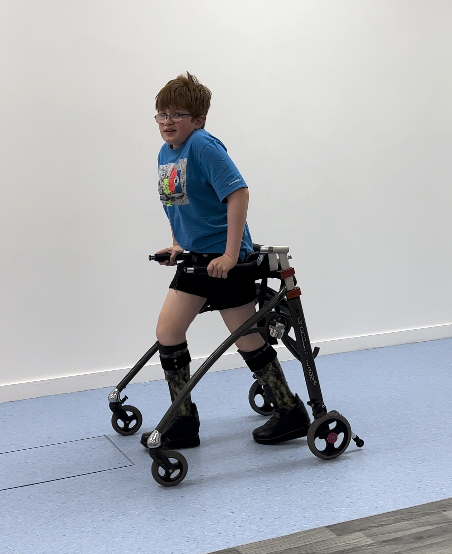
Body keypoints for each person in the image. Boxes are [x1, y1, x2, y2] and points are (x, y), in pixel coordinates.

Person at [141, 72, 310, 450]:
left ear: (198, 119)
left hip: (224, 261)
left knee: (245, 338)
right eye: (161, 114)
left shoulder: (202, 145)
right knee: (181, 333)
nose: (167, 121)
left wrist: (231, 254)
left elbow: (238, 193)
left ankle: (289, 412)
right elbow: (180, 206)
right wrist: (177, 246)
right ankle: (185, 419)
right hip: (197, 259)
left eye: (177, 114)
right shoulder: (166, 154)